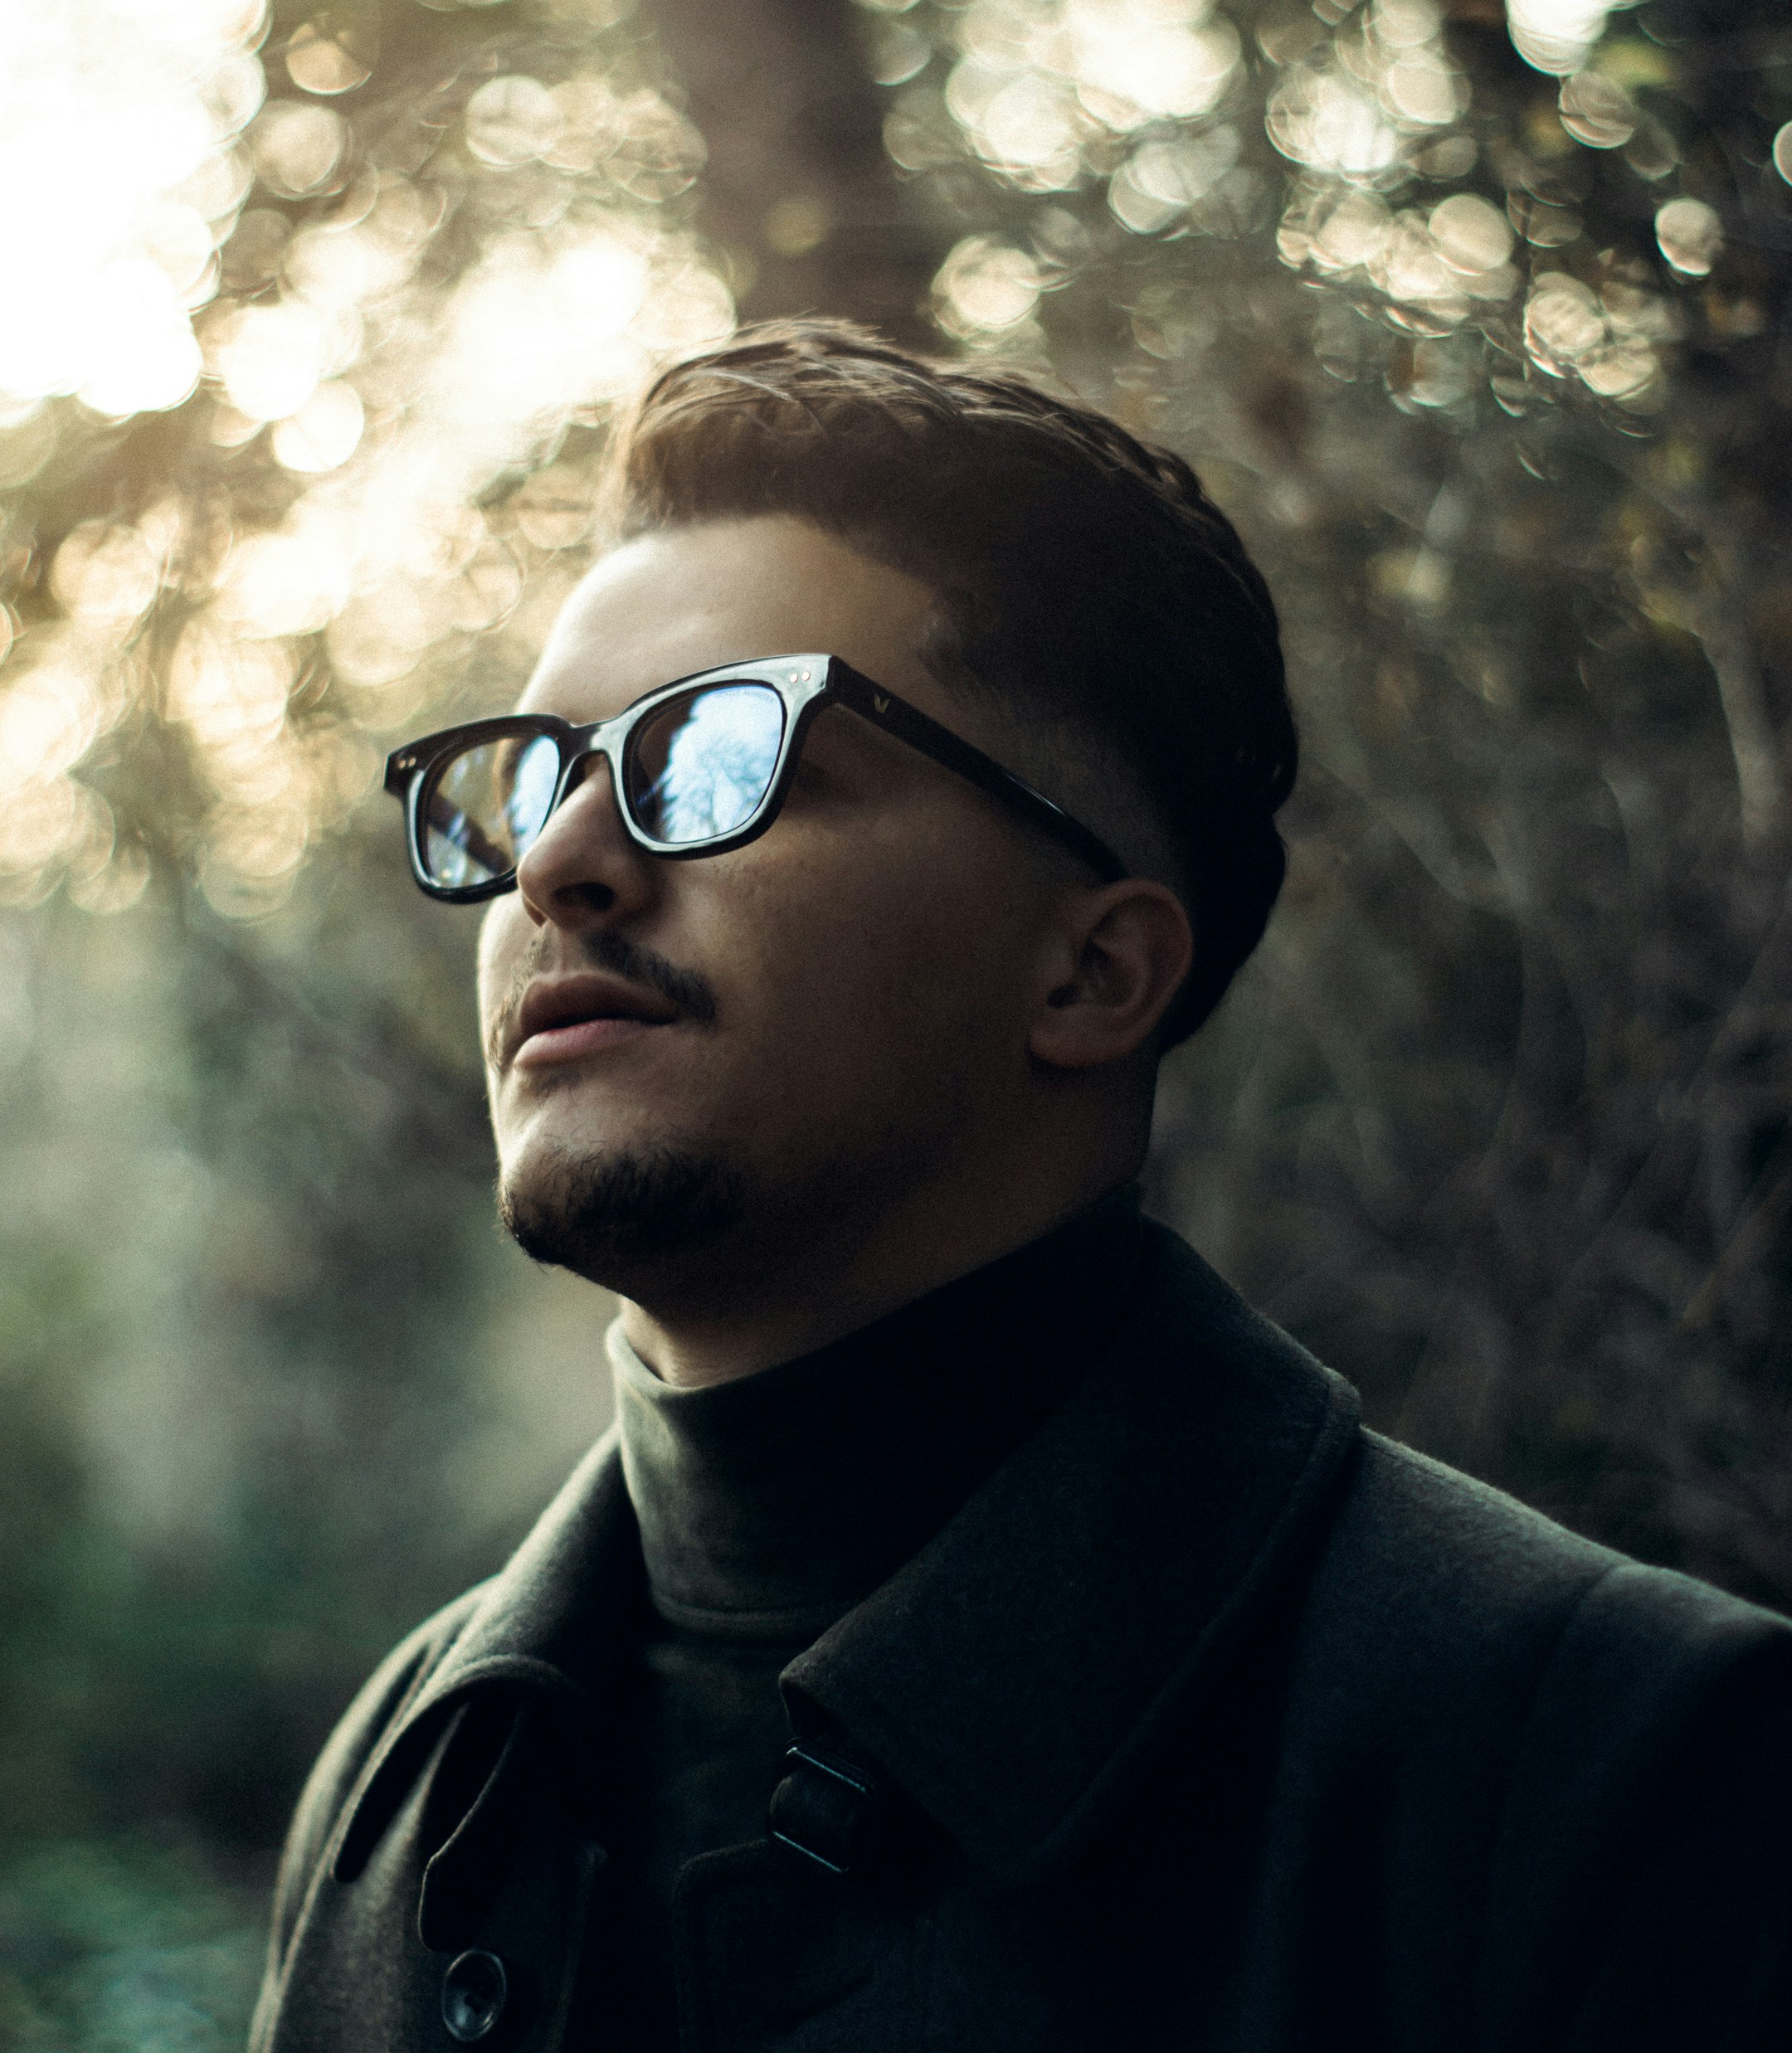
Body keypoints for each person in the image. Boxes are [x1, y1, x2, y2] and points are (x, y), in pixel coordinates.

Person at [251, 321, 1792, 2053]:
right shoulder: (408, 1782)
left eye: (719, 754)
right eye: (536, 778)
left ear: (1093, 976)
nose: (555, 863)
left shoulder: (1617, 1776)